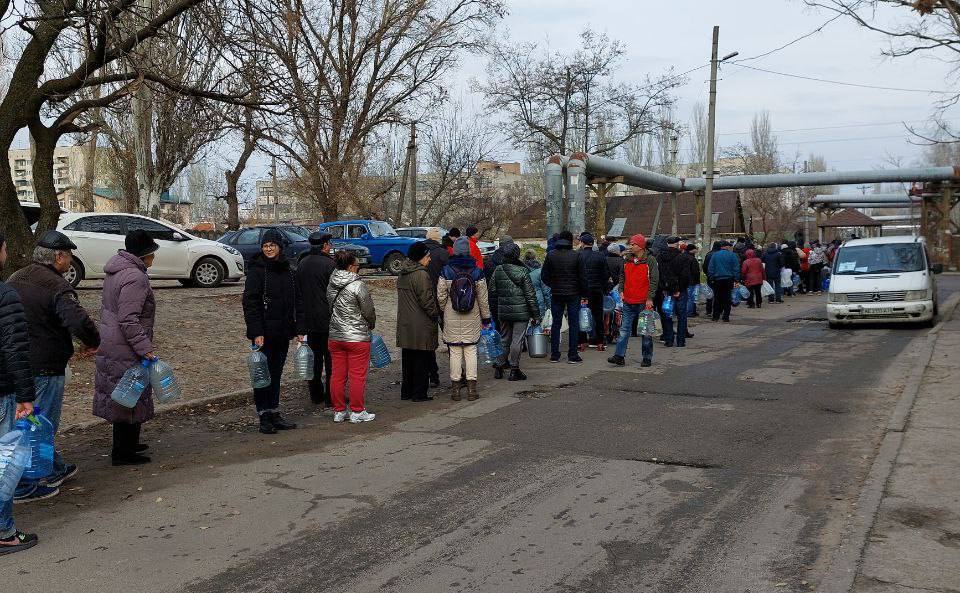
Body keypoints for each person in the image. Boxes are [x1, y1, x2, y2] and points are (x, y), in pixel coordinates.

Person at [8, 231, 99, 501]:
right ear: (59, 256)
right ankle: (26, 483)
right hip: (45, 366)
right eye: (69, 255)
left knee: (32, 421)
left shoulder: (16, 278)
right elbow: (77, 320)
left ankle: (53, 466)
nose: (70, 261)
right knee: (37, 424)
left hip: (16, 364)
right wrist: (93, 341)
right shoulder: (56, 286)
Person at [93, 230, 160, 465]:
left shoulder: (118, 270)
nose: (154, 258)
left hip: (114, 341)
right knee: (128, 395)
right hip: (125, 345)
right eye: (152, 253)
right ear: (144, 255)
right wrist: (145, 348)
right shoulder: (135, 277)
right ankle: (123, 452)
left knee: (127, 393)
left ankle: (129, 444)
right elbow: (128, 318)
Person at [242, 228, 305, 434]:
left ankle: (274, 411)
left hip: (283, 330)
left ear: (279, 247)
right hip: (264, 332)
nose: (269, 249)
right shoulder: (257, 270)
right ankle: (264, 415)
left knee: (276, 374)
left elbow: (297, 302)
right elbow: (250, 303)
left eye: (272, 245)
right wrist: (256, 331)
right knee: (262, 375)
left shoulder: (288, 270)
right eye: (266, 246)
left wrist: (298, 329)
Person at [0, 232, 39, 554]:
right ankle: (4, 532)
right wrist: (27, 394)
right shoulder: (4, 295)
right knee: (4, 464)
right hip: (2, 392)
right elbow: (14, 348)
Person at [437, 237, 491, 401]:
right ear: (468, 251)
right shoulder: (476, 271)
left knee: (454, 352)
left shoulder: (446, 270)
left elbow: (440, 296)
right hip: (472, 314)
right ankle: (472, 391)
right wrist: (486, 317)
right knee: (470, 350)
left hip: (451, 314)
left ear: (454, 250)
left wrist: (444, 310)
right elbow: (483, 298)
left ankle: (455, 391)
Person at [327, 251, 377, 423]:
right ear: (350, 267)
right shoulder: (358, 285)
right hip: (357, 337)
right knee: (357, 375)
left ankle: (339, 411)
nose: (359, 269)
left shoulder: (331, 283)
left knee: (337, 376)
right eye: (357, 266)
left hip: (335, 335)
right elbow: (368, 311)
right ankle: (357, 411)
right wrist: (370, 325)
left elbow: (330, 307)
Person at [396, 242, 440, 402]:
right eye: (427, 257)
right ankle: (419, 393)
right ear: (420, 257)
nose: (430, 260)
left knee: (408, 361)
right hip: (421, 324)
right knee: (422, 360)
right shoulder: (421, 274)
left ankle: (406, 392)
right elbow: (427, 301)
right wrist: (436, 315)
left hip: (406, 323)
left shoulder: (403, 273)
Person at [489, 243, 540, 381]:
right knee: (517, 340)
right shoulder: (523, 271)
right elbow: (530, 295)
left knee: (504, 339)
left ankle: (499, 367)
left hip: (503, 311)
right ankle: (514, 369)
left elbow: (492, 291)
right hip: (521, 312)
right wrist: (536, 315)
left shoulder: (498, 270)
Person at [296, 232, 335, 407]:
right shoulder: (330, 264)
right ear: (325, 245)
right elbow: (334, 294)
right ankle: (331, 396)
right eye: (330, 244)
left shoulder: (302, 264)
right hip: (328, 319)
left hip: (309, 319)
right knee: (332, 360)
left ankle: (316, 394)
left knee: (315, 359)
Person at [608, 234, 658, 368]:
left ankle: (647, 357)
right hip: (628, 301)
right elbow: (622, 276)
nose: (630, 246)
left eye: (633, 244)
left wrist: (649, 298)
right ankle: (619, 356)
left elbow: (654, 280)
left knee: (645, 331)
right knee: (624, 330)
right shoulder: (626, 260)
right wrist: (621, 291)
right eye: (630, 244)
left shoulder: (650, 261)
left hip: (643, 302)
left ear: (641, 246)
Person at [540, 230, 586, 364]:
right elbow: (582, 277)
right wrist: (583, 293)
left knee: (556, 324)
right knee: (573, 324)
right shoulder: (577, 255)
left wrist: (553, 285)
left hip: (556, 294)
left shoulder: (551, 255)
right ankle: (573, 354)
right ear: (570, 240)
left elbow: (544, 276)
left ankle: (555, 354)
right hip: (574, 293)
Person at [423, 228, 449, 387]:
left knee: (428, 341)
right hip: (443, 301)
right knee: (451, 338)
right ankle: (458, 372)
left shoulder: (420, 252)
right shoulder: (443, 253)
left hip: (425, 301)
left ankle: (433, 375)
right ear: (438, 239)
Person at [577, 232, 610, 350]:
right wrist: (602, 286)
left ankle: (581, 341)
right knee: (598, 316)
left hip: (582, 291)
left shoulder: (578, 255)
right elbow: (606, 274)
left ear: (582, 243)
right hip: (597, 290)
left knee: (581, 315)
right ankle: (600, 341)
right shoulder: (600, 256)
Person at [655, 236, 689, 347]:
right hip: (680, 291)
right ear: (677, 244)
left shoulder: (660, 257)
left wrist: (664, 288)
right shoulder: (683, 257)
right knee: (681, 316)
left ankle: (669, 340)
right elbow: (685, 276)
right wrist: (678, 289)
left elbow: (658, 275)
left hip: (666, 291)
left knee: (666, 315)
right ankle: (680, 341)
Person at [707, 242, 741, 322]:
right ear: (727, 247)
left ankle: (715, 316)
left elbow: (711, 267)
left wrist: (711, 277)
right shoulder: (732, 255)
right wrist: (736, 279)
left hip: (717, 279)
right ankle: (726, 317)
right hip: (729, 279)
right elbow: (736, 268)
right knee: (727, 298)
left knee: (717, 298)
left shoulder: (715, 255)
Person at [702, 241, 722, 318]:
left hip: (710, 277)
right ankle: (719, 310)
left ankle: (708, 310)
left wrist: (707, 274)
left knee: (709, 294)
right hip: (719, 277)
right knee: (718, 294)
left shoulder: (708, 254)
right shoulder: (720, 254)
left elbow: (705, 266)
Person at [683, 243, 701, 321]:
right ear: (692, 250)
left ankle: (692, 311)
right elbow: (695, 271)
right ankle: (690, 312)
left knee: (689, 297)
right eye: (695, 249)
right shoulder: (692, 259)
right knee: (691, 297)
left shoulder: (683, 257)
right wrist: (697, 281)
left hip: (685, 280)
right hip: (691, 281)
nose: (696, 250)